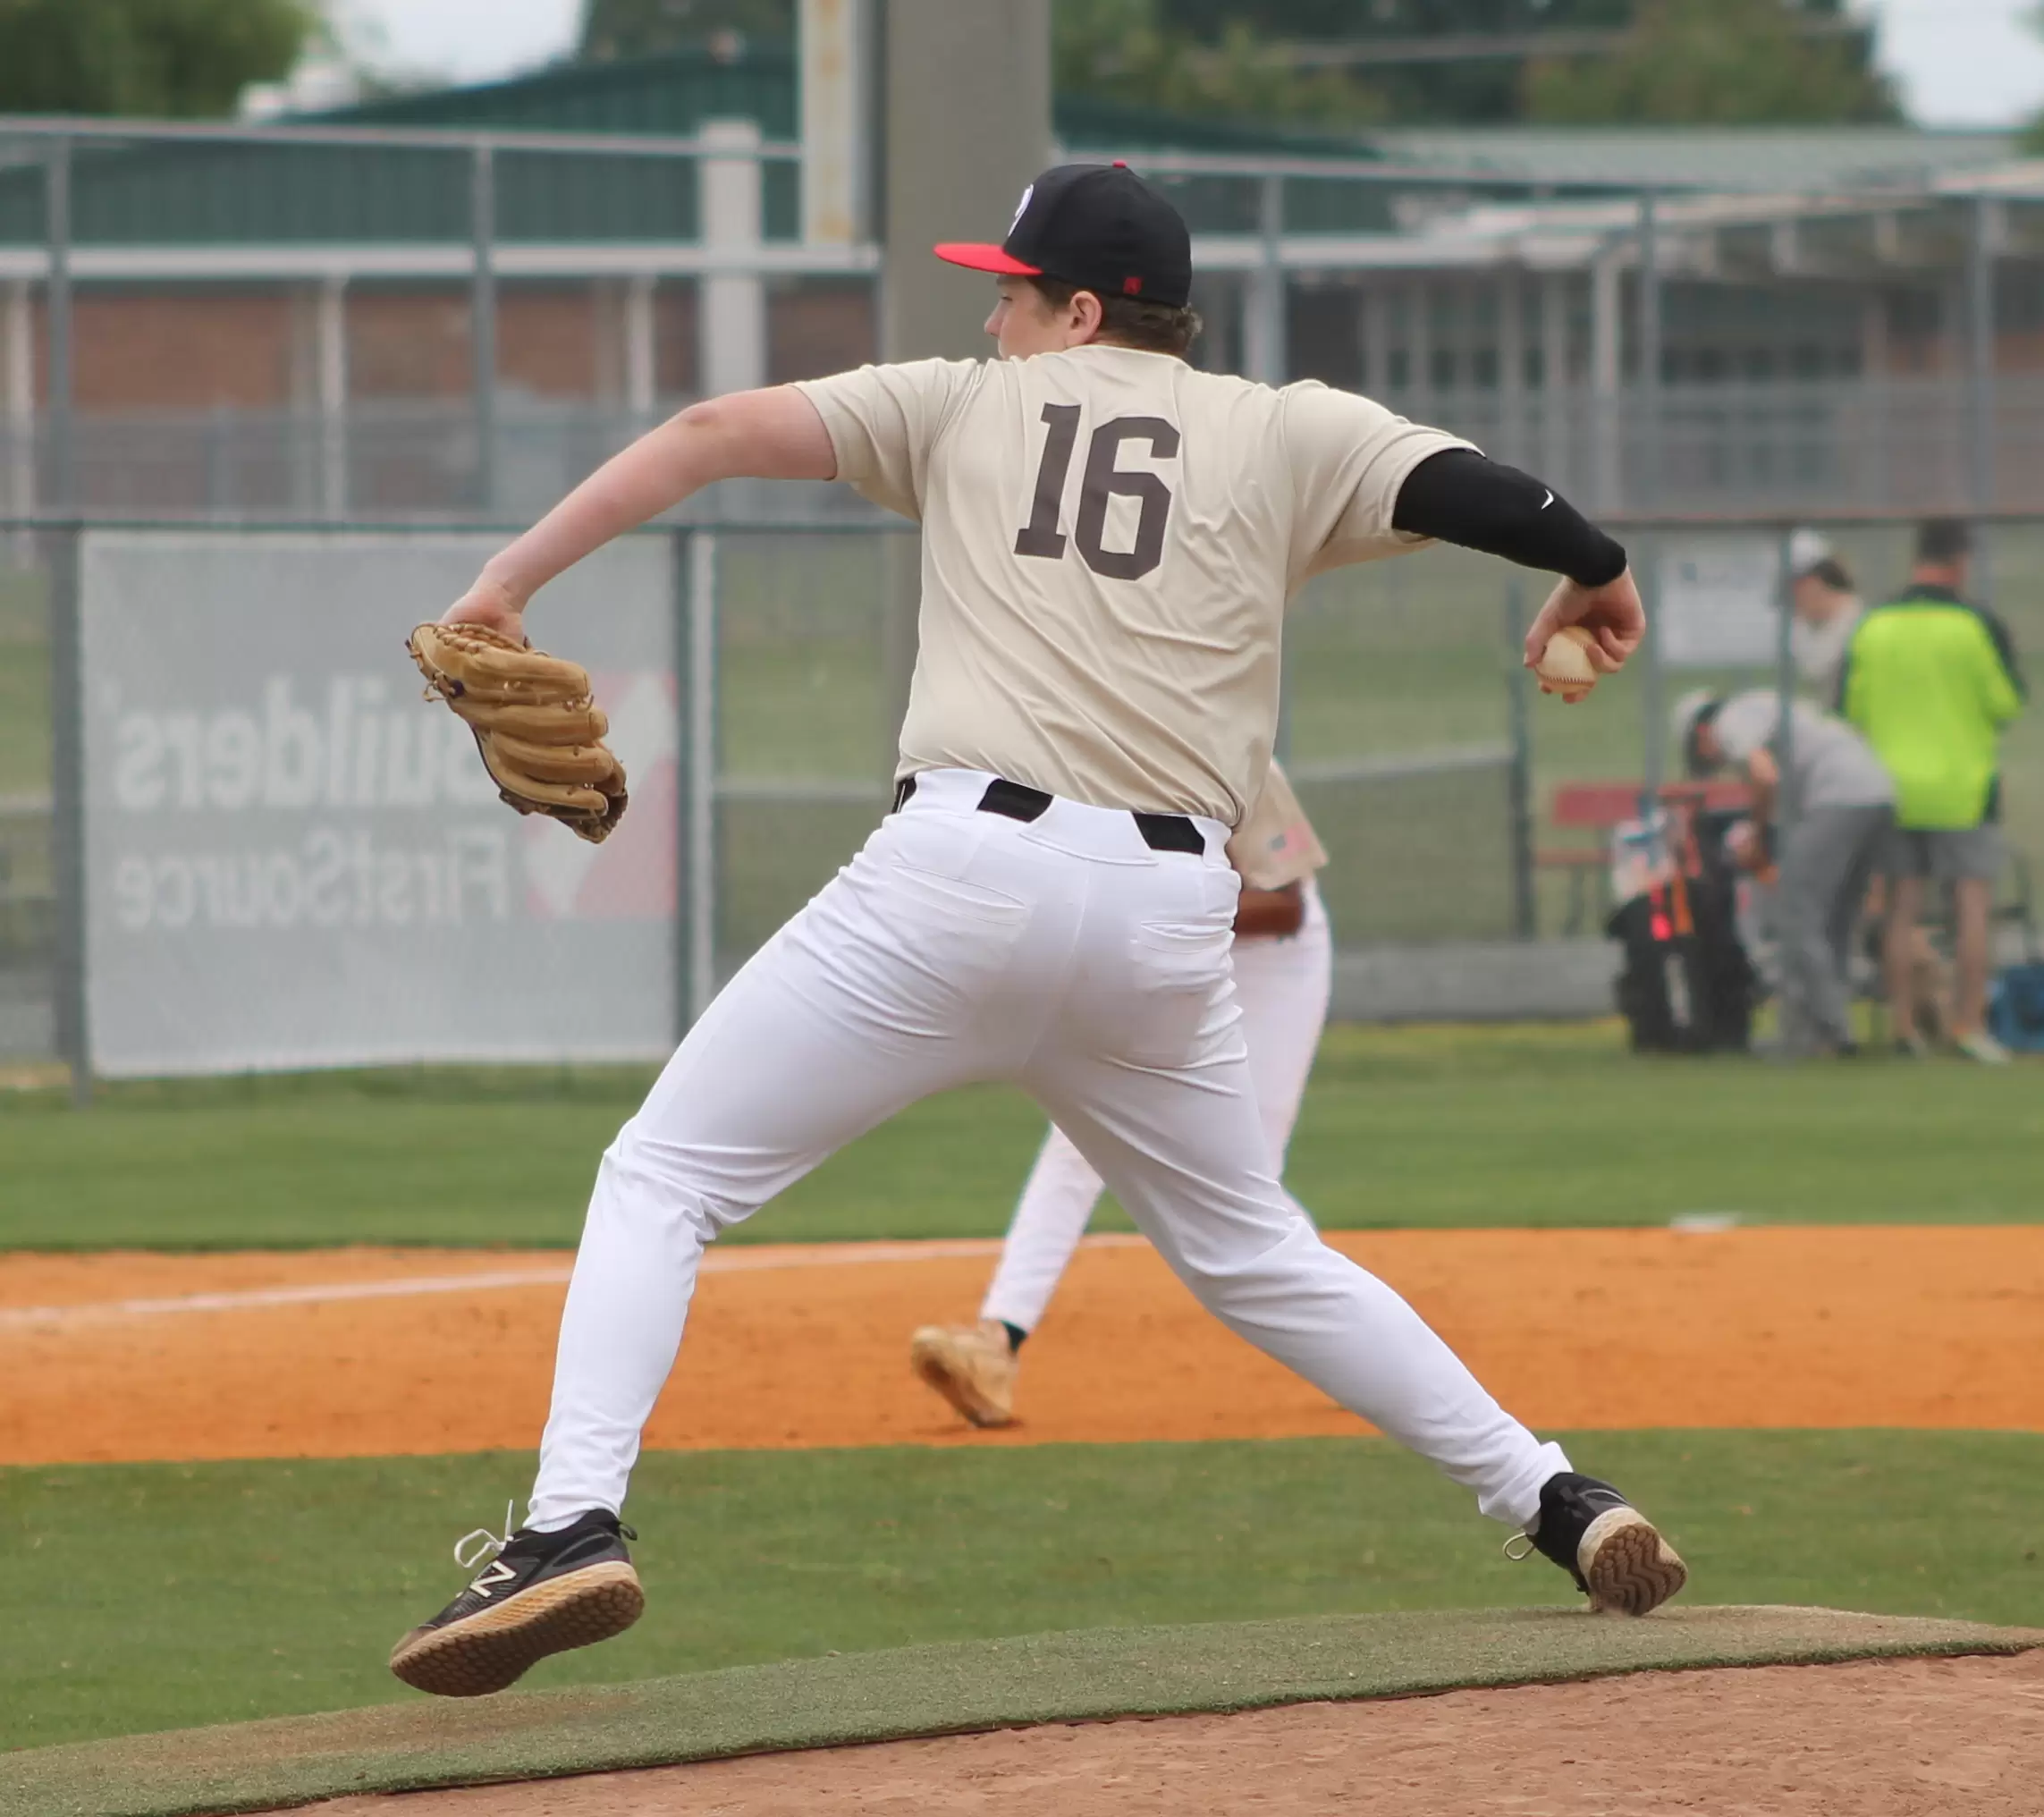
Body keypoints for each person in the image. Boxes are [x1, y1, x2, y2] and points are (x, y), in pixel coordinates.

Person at [386, 161, 1685, 1702]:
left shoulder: (961, 406)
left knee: (663, 1177)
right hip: (1167, 915)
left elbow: (709, 431)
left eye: (1010, 292)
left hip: (956, 880)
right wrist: (1595, 577)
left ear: (1079, 310)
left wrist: (504, 585)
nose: (990, 317)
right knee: (1257, 1254)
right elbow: (1497, 498)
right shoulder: (1286, 429)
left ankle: (568, 1525)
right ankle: (1556, 1496)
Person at [909, 757, 1332, 1427]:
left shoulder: (1229, 749)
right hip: (1153, 941)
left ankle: (1357, 1339)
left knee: (1246, 1171)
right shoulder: (1072, 751)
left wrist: (1140, 920)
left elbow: (1284, 905)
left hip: (1267, 957)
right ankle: (995, 1345)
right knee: (1080, 1134)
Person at [1840, 519, 2026, 1063]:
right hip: (1962, 788)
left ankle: (1905, 1028)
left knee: (1902, 908)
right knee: (1971, 907)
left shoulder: (1874, 625)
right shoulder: (1975, 624)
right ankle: (1967, 1025)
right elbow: (2006, 704)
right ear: (1961, 561)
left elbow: (1852, 707)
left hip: (1890, 787)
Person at [1675, 689, 1895, 1059]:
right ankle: (1823, 1032)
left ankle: (1830, 1029)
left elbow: (1765, 777)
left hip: (1838, 797)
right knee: (1833, 923)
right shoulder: (1768, 706)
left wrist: (1757, 835)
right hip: (1878, 792)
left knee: (1795, 913)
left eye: (1701, 754)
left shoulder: (1732, 721)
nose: (1715, 763)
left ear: (1701, 731)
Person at [1784, 528, 1863, 697]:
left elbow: (1816, 668)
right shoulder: (1811, 627)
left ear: (1815, 582)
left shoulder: (1861, 627)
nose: (1793, 598)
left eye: (1794, 587)